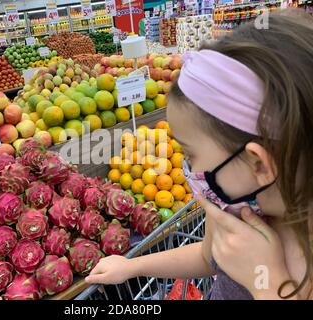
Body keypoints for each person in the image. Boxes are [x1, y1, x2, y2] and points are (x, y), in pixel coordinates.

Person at [86, 10, 313, 300]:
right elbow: (209, 258)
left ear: (258, 164)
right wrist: (133, 266)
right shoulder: (238, 210)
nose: (186, 168)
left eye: (190, 154)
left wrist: (265, 283)